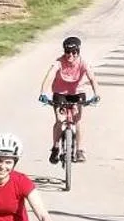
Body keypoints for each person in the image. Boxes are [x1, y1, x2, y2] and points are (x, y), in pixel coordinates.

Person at [36, 35, 101, 163]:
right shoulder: (59, 62)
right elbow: (49, 76)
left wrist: (96, 94)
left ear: (78, 51)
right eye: (67, 52)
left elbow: (92, 79)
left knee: (78, 120)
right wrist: (43, 93)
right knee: (60, 120)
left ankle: (79, 150)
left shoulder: (83, 63)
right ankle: (55, 148)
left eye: (74, 52)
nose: (70, 55)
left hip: (78, 93)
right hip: (60, 93)